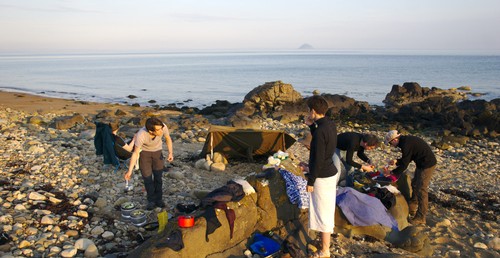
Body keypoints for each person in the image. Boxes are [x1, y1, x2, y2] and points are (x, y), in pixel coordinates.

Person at [305, 95, 339, 258]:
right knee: (326, 209)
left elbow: (317, 158)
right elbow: (325, 146)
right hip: (330, 172)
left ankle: (325, 250)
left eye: (308, 110)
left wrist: (311, 180)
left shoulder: (320, 131)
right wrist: (311, 127)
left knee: (322, 211)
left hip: (322, 176)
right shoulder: (329, 124)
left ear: (313, 111)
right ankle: (324, 244)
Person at [383, 130, 437, 225]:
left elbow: (404, 165)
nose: (391, 145)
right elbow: (408, 157)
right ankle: (412, 206)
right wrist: (396, 161)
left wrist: (392, 172)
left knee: (421, 189)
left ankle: (421, 217)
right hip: (421, 164)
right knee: (415, 184)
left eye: (391, 143)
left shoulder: (405, 144)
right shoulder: (406, 141)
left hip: (427, 164)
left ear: (395, 139)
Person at [124, 117, 174, 210]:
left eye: (161, 128)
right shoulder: (141, 135)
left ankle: (159, 199)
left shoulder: (163, 127)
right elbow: (135, 153)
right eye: (158, 130)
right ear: (151, 131)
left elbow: (168, 138)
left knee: (158, 178)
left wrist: (170, 153)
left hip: (158, 152)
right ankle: (151, 200)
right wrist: (129, 171)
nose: (161, 131)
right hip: (145, 154)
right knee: (147, 179)